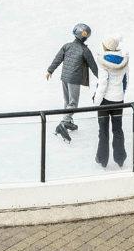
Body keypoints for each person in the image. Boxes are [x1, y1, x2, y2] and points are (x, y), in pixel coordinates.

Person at [47, 22, 98, 142]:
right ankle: (63, 125)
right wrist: (101, 77)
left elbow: (57, 58)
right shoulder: (85, 50)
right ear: (85, 36)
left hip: (64, 78)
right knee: (73, 103)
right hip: (74, 79)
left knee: (67, 101)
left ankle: (68, 122)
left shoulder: (67, 45)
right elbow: (93, 66)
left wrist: (50, 70)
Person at [93, 35, 129, 168]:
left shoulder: (103, 62)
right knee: (118, 129)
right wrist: (121, 94)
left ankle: (102, 159)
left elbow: (102, 83)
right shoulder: (124, 61)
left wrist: (97, 102)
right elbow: (126, 81)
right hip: (119, 100)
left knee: (103, 131)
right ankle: (120, 158)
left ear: (106, 47)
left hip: (105, 101)